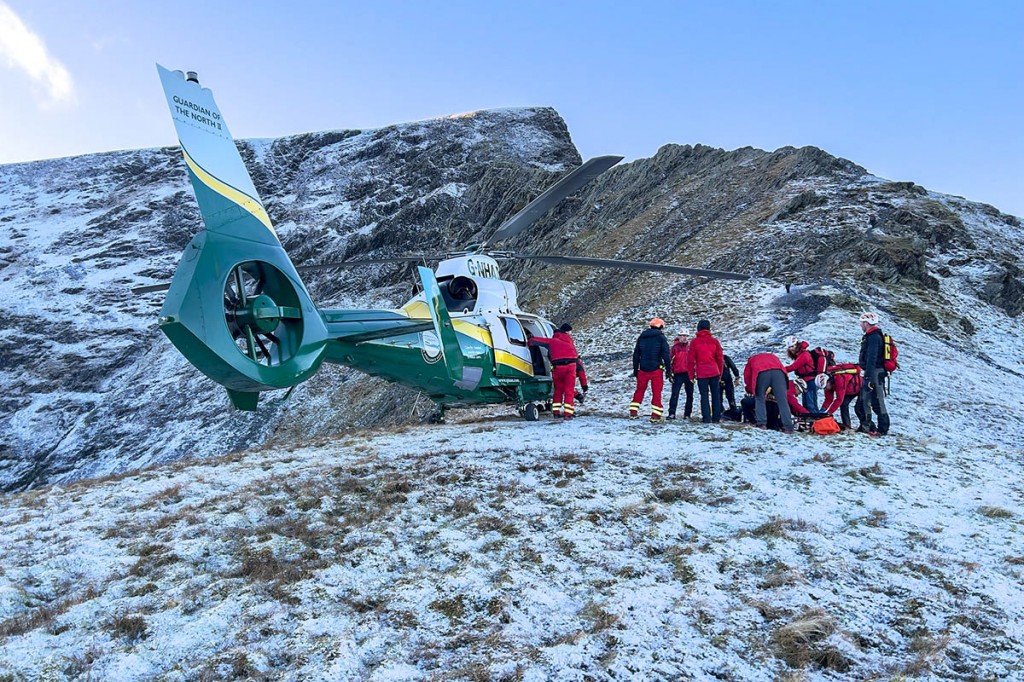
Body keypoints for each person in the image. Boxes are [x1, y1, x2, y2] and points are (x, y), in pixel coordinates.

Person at [528, 323, 587, 420]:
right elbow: (581, 372)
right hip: (570, 367)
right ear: (567, 332)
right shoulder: (570, 342)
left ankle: (556, 412)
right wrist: (584, 387)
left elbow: (535, 341)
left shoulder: (552, 341)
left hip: (557, 368)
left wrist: (529, 340)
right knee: (569, 391)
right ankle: (568, 414)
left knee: (558, 391)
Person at [631, 318, 672, 422]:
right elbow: (666, 355)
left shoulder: (641, 337)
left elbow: (636, 355)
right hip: (656, 370)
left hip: (643, 369)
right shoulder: (661, 338)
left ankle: (633, 412)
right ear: (661, 327)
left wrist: (636, 370)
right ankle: (655, 415)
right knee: (656, 392)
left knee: (639, 390)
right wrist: (669, 370)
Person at [743, 352, 794, 433]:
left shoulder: (751, 360)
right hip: (779, 372)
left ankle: (762, 424)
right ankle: (788, 427)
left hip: (761, 372)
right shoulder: (773, 356)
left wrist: (750, 390)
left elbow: (747, 377)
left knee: (759, 398)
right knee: (783, 401)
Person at [857, 312, 889, 435]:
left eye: (862, 322)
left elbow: (872, 358)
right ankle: (871, 427)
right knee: (872, 401)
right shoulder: (874, 336)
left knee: (874, 401)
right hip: (875, 372)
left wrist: (869, 377)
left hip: (874, 372)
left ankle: (881, 429)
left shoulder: (873, 337)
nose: (860, 325)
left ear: (866, 323)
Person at [689, 319, 724, 423]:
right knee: (715, 395)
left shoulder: (694, 342)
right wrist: (720, 373)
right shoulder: (714, 341)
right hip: (714, 371)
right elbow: (720, 358)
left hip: (702, 373)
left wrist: (691, 375)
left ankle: (706, 418)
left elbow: (690, 360)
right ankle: (716, 418)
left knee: (704, 395)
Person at [818, 365, 863, 430]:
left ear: (828, 381)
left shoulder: (839, 379)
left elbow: (839, 399)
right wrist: (822, 409)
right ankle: (847, 425)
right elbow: (829, 399)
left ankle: (868, 427)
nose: (825, 389)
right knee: (843, 404)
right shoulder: (828, 384)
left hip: (861, 387)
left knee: (859, 408)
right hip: (850, 390)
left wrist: (829, 413)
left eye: (825, 387)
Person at [784, 336, 822, 412]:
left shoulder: (804, 355)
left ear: (796, 345)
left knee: (810, 405)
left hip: (810, 381)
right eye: (789, 347)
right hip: (806, 381)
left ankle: (816, 421)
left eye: (792, 346)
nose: (791, 349)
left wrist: (781, 369)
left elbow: (794, 367)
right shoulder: (800, 355)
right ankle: (811, 420)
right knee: (807, 404)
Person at [668, 333, 694, 420]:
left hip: (689, 373)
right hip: (678, 373)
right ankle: (672, 413)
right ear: (679, 337)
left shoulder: (690, 347)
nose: (684, 338)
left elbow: (694, 360)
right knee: (675, 394)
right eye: (682, 336)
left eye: (686, 336)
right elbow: (669, 360)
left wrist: (694, 372)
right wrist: (670, 372)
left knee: (690, 395)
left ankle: (687, 414)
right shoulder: (674, 348)